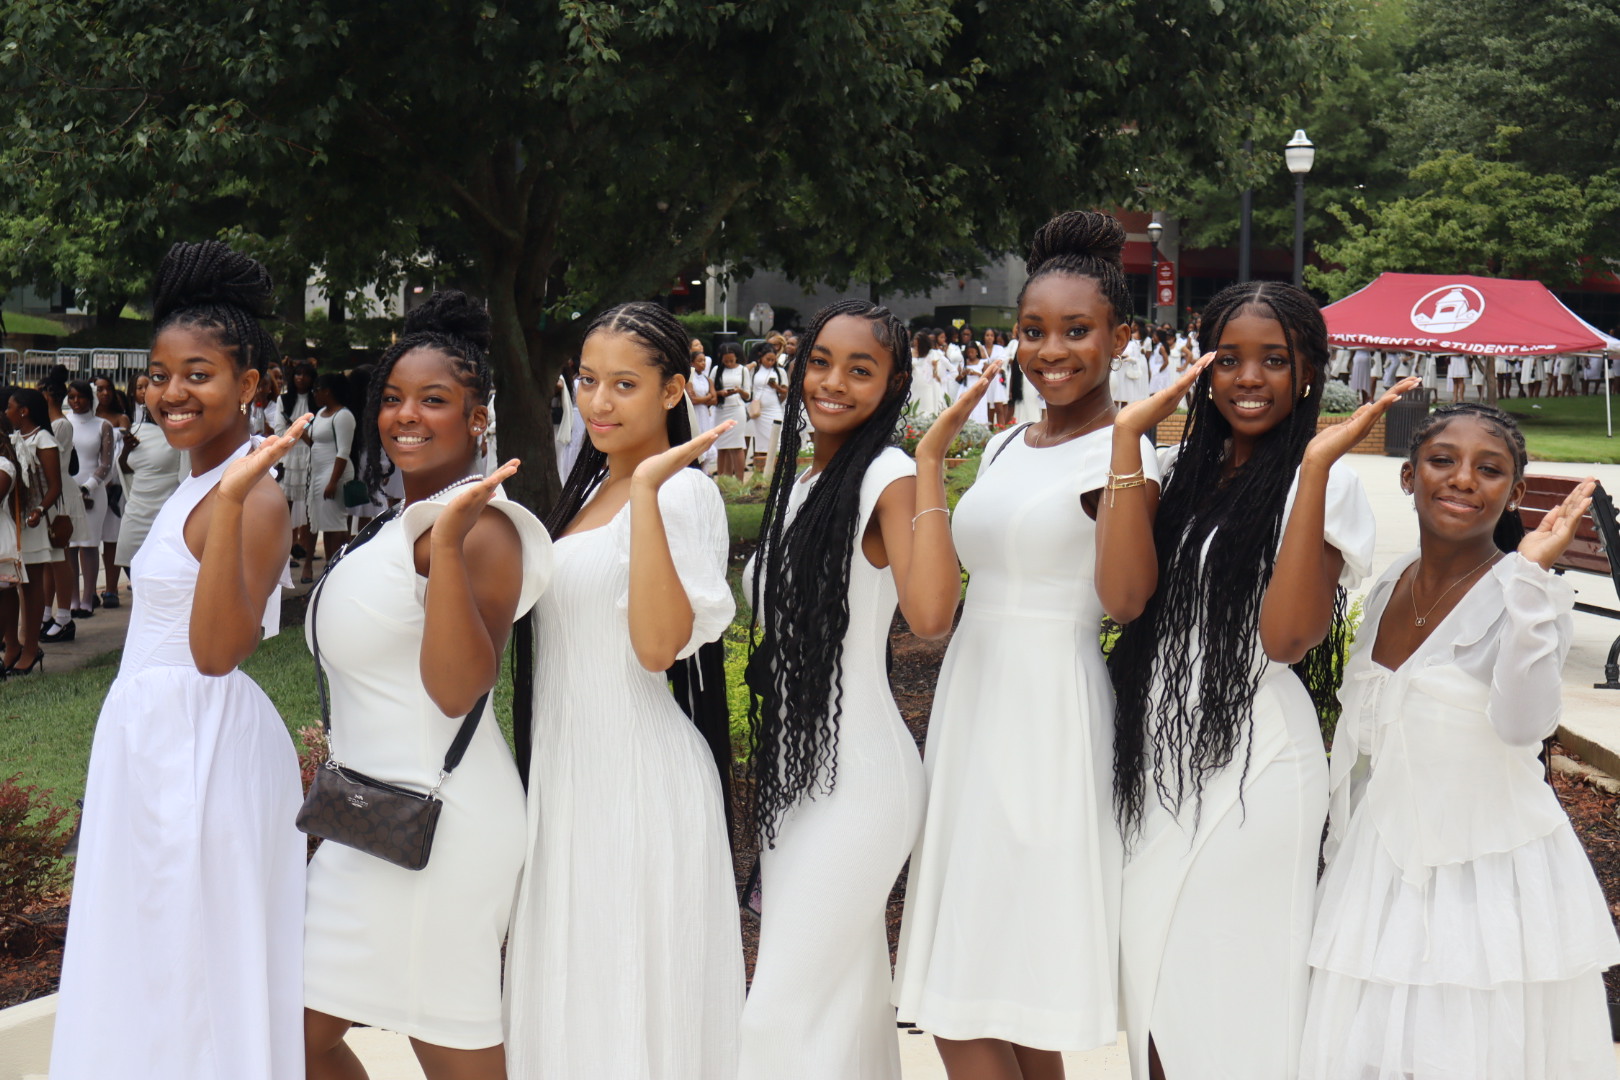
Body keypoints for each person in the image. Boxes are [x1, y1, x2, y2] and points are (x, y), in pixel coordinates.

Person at [1099, 281, 1408, 1080]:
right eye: (1229, 358)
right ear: (1201, 367)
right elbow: (1125, 600)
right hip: (1157, 750)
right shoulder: (1175, 470)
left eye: (1275, 360)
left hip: (1257, 762)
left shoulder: (1328, 482)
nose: (1248, 377)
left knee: (1233, 993)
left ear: (1308, 372)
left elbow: (1287, 635)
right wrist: (1127, 442)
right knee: (1152, 985)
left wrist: (1309, 470)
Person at [894, 210, 1156, 1080]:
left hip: (1049, 712)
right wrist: (930, 462)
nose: (1052, 350)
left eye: (1078, 331)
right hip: (974, 699)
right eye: (1034, 331)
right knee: (1000, 988)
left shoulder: (1128, 459)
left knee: (973, 990)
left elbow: (1123, 600)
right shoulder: (1008, 440)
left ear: (1121, 336)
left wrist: (1126, 453)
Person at [49, 239, 307, 1080]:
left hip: (201, 745)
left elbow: (218, 650)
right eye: (160, 374)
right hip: (151, 738)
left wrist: (232, 500)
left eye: (198, 373)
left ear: (250, 385)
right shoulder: (197, 482)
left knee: (193, 961)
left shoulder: (252, 493)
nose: (170, 392)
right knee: (151, 952)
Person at [1302, 404, 1620, 1080]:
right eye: (1443, 460)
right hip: (1384, 868)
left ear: (1516, 490)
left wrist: (1532, 582)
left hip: (1489, 881)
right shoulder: (1390, 584)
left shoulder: (1529, 597)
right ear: (1408, 477)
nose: (1464, 479)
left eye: (1490, 468)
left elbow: (1522, 727)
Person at [739, 301, 992, 1080]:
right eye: (821, 362)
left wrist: (930, 468)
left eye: (860, 369)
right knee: (844, 1005)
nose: (834, 382)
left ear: (891, 385)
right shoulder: (806, 476)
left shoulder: (881, 474)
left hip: (859, 780)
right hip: (797, 777)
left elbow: (930, 612)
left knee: (777, 1013)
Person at [302, 291, 553, 1080]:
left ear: (479, 418)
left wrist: (445, 544)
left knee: (449, 1044)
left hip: (438, 829)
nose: (406, 416)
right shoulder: (397, 520)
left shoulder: (482, 529)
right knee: (293, 1036)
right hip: (368, 822)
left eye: (434, 401)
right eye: (395, 399)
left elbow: (456, 689)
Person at [505, 302, 742, 1079]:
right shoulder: (578, 497)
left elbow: (654, 648)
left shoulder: (680, 496)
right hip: (567, 781)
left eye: (625, 385)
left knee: (631, 1005)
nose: (599, 403)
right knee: (575, 1002)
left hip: (640, 784)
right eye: (587, 381)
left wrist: (644, 494)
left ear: (674, 392)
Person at [2, 387, 62, 675]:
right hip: (15, 519)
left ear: (23, 411)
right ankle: (11, 643)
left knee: (31, 584)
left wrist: (40, 510)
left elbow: (54, 485)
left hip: (34, 520)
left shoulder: (44, 439)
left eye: (10, 407)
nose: (6, 412)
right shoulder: (13, 439)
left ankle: (31, 647)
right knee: (10, 582)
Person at [114, 396, 187, 574]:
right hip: (135, 511)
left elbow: (187, 475)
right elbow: (124, 468)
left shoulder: (181, 434)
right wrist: (126, 450)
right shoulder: (139, 431)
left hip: (163, 515)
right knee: (131, 566)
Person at [64, 380, 115, 617]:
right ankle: (72, 598)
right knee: (70, 545)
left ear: (89, 398)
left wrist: (88, 486)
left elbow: (106, 463)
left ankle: (88, 597)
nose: (76, 402)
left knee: (89, 544)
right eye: (72, 397)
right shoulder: (63, 423)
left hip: (93, 491)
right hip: (67, 490)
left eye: (80, 397)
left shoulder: (102, 425)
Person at [303, 371, 356, 580]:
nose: (314, 394)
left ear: (328, 391)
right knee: (323, 523)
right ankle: (328, 566)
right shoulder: (320, 413)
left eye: (317, 390)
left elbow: (343, 451)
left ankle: (337, 568)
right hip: (318, 472)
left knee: (336, 524)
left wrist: (333, 481)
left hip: (335, 472)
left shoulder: (343, 415)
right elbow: (317, 444)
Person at [93, 375, 131, 606]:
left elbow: (120, 449)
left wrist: (108, 478)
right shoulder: (89, 419)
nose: (104, 393)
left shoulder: (121, 418)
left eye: (107, 389)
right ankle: (87, 593)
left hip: (113, 485)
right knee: (87, 542)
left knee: (111, 538)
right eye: (99, 389)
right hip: (91, 483)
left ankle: (110, 589)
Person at [278, 360, 317, 569]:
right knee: (286, 507)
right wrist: (298, 433)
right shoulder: (283, 400)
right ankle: (284, 555)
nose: (301, 378)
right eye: (298, 374)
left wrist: (298, 430)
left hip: (311, 457)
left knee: (311, 508)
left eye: (306, 374)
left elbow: (316, 435)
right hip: (289, 457)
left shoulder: (316, 401)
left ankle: (308, 556)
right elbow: (279, 430)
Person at [712, 341, 752, 479]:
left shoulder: (743, 370)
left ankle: (739, 480)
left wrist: (738, 390)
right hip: (721, 409)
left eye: (731, 360)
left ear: (737, 357)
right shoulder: (716, 370)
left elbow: (748, 395)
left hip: (736, 409)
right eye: (726, 361)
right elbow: (711, 392)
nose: (728, 363)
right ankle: (724, 479)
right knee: (721, 446)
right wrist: (720, 393)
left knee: (737, 445)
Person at [751, 341, 788, 474]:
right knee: (761, 441)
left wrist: (776, 387)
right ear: (761, 357)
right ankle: (761, 471)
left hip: (773, 407)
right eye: (768, 359)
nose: (770, 362)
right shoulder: (755, 370)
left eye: (773, 360)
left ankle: (777, 471)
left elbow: (785, 390)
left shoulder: (780, 371)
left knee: (776, 437)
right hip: (760, 410)